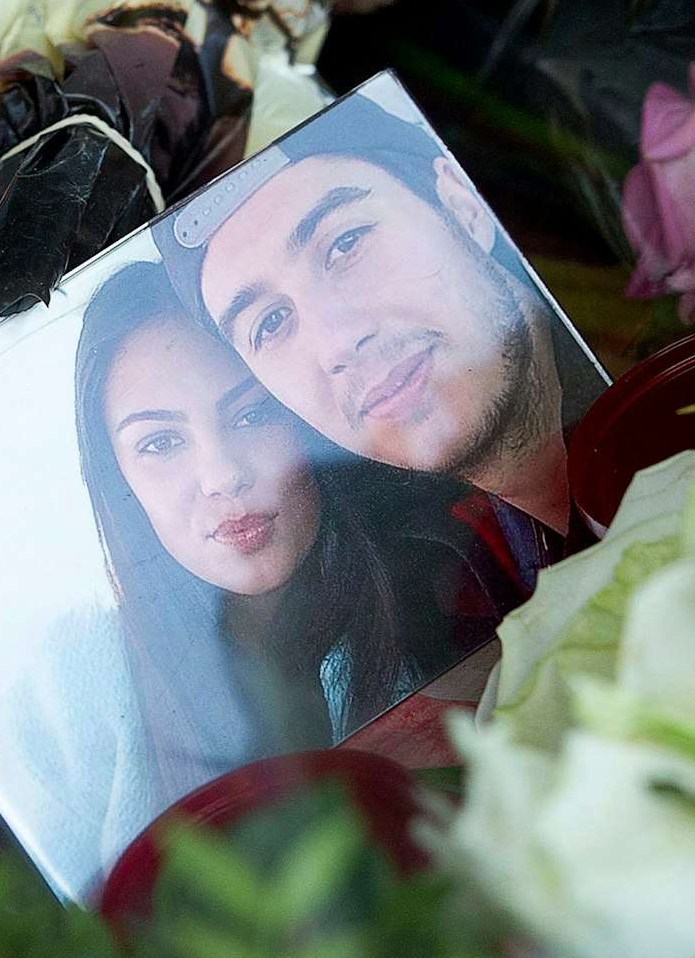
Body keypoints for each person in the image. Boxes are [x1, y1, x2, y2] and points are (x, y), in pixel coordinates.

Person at [71, 259, 523, 808]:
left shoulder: (457, 578)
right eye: (160, 443)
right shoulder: (76, 689)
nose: (222, 475)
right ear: (115, 476)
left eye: (252, 415)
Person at [158, 80, 605, 583]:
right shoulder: (463, 584)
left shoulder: (674, 354)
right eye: (271, 323)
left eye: (345, 244)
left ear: (462, 205)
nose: (336, 341)